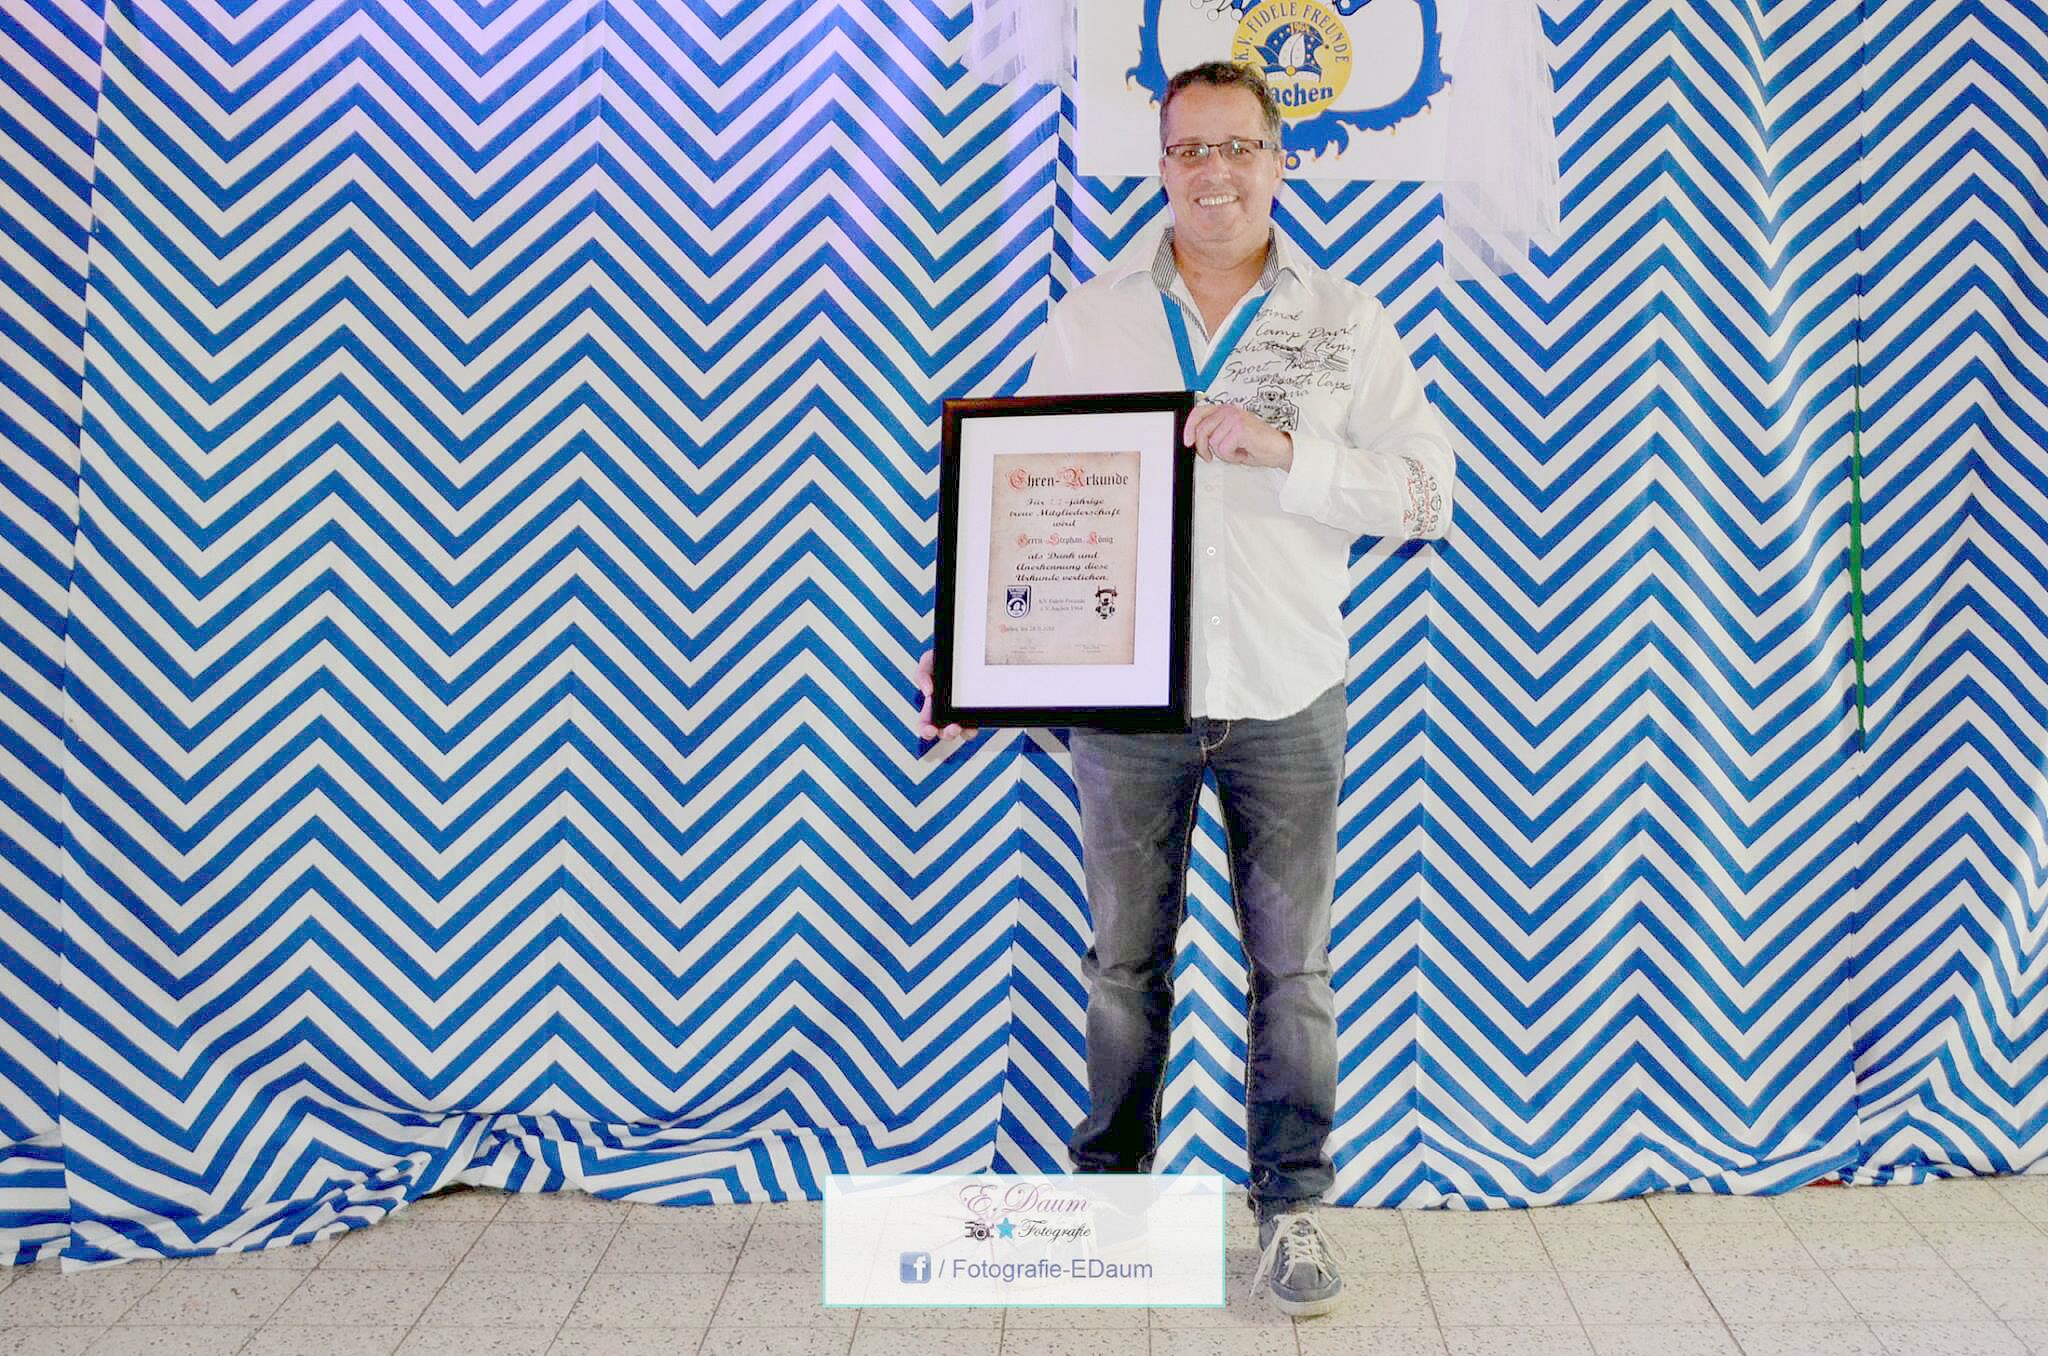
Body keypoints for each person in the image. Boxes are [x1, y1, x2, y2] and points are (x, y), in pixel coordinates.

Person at [916, 61, 1455, 1316]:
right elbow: (1028, 497)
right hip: (1124, 708)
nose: (1213, 172)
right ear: (1159, 166)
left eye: (1236, 148)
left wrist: (1285, 450)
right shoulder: (1090, 318)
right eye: (1188, 150)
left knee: (1294, 972)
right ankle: (1108, 1208)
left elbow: (1426, 494)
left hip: (1287, 689)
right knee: (1120, 967)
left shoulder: (1346, 321)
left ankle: (1293, 1211)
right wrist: (971, 649)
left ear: (1278, 160)